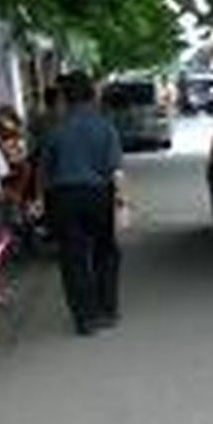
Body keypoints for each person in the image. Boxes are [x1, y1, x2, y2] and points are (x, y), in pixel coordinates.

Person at [39, 72, 125, 336]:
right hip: (99, 194)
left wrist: (43, 202)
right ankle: (107, 309)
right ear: (92, 94)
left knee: (73, 257)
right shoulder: (105, 126)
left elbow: (46, 172)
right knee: (106, 251)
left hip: (64, 197)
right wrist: (122, 202)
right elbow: (114, 168)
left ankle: (85, 318)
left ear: (66, 97)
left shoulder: (55, 129)